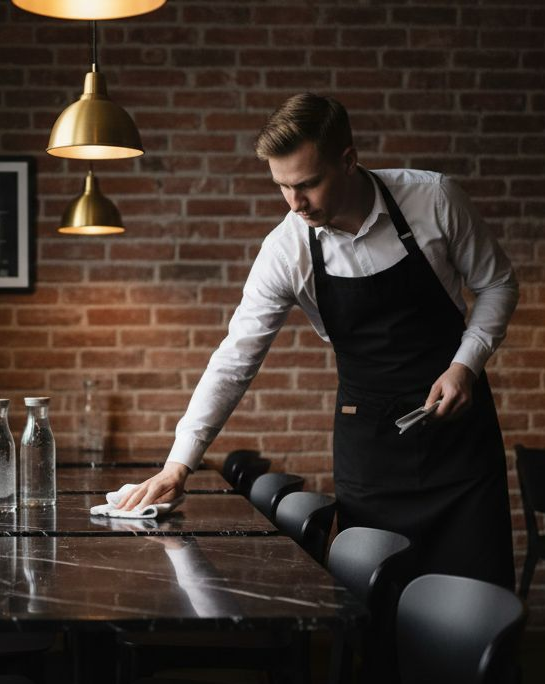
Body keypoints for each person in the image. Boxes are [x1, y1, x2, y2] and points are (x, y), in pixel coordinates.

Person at [120, 92, 519, 589]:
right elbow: (235, 358)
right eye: (282, 187)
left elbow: (497, 283)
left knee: (476, 593)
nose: (295, 203)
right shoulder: (286, 249)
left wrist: (466, 364)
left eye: (307, 183)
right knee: (376, 609)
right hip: (371, 454)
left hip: (461, 446)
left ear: (348, 160)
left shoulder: (434, 199)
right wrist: (179, 463)